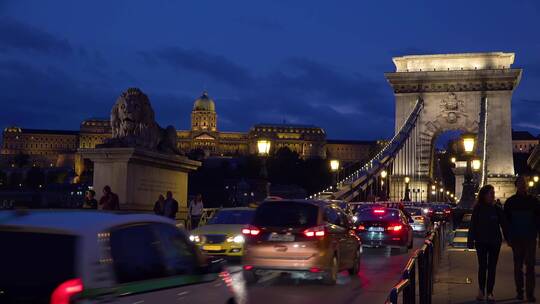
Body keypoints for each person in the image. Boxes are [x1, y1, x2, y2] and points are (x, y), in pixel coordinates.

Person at [468, 185, 508, 302]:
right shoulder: (478, 209)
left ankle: (490, 292)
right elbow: (473, 226)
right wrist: (470, 240)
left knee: (492, 268)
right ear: (484, 195)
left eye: (493, 193)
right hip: (481, 242)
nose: (492, 195)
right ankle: (481, 290)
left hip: (494, 242)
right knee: (482, 267)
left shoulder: (497, 209)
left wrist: (509, 239)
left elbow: (504, 224)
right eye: (490, 193)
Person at [504, 176, 540, 302]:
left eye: (524, 183)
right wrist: (508, 237)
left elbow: (538, 220)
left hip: (530, 238)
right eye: (520, 183)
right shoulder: (510, 202)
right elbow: (506, 223)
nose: (523, 185)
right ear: (516, 185)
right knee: (518, 266)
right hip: (517, 238)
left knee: (530, 266)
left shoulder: (534, 201)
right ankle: (520, 291)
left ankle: (530, 294)